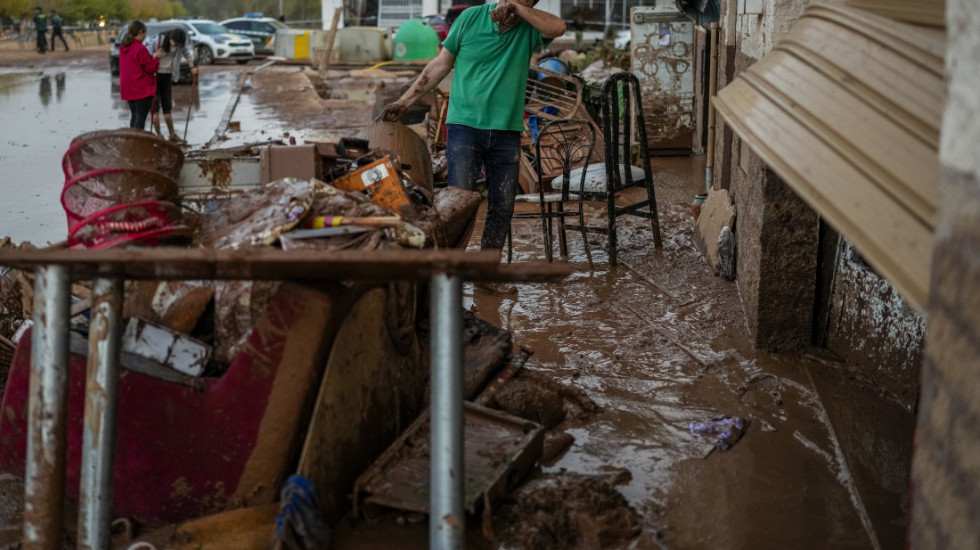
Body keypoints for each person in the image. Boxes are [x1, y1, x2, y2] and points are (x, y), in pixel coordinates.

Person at [380, 0, 565, 262]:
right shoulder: (470, 18)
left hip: (506, 130)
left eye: (527, 0)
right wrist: (404, 101)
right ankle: (449, 272)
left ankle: (487, 272)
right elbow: (440, 64)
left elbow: (558, 27)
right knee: (458, 203)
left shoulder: (529, 27)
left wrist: (518, 9)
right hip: (464, 126)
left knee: (502, 206)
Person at [145, 27, 197, 142]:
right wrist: (155, 55)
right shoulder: (157, 42)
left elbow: (188, 54)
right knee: (155, 107)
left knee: (167, 106)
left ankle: (172, 135)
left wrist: (192, 67)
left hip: (167, 76)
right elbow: (146, 57)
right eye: (175, 43)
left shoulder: (180, 45)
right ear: (171, 38)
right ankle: (158, 136)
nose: (177, 46)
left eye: (179, 45)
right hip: (155, 76)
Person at [119, 21, 161, 130]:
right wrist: (156, 58)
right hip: (141, 89)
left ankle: (132, 139)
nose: (145, 36)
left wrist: (151, 57)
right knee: (140, 119)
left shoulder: (124, 48)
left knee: (134, 116)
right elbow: (150, 68)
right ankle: (137, 142)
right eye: (145, 33)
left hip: (128, 88)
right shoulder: (140, 49)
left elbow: (137, 63)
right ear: (140, 32)